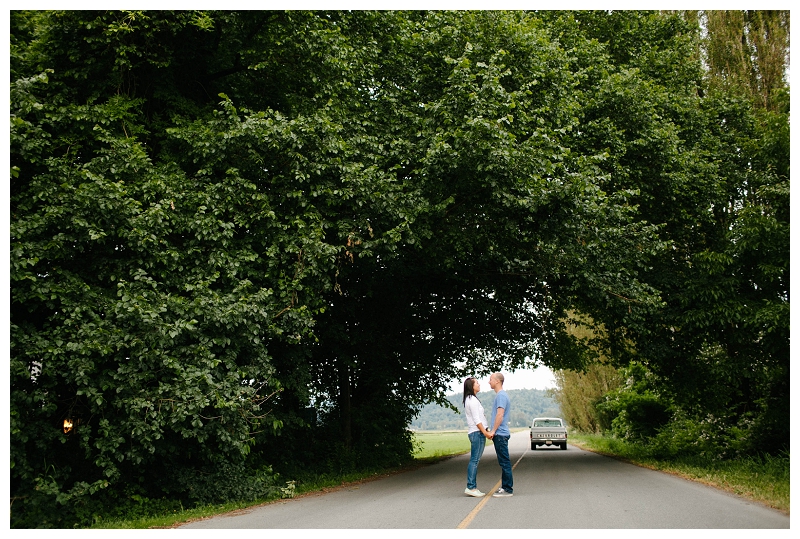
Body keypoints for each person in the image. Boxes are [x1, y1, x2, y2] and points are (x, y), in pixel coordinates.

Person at [462, 377, 492, 497]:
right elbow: (476, 419)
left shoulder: (472, 399)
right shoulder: (472, 400)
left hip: (477, 432)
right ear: (471, 386)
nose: (479, 384)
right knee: (474, 460)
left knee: (475, 460)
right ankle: (471, 487)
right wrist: (485, 432)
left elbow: (481, 418)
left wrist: (486, 429)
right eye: (477, 383)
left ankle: (472, 486)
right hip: (476, 432)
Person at [488, 372, 513, 497]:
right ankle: (505, 487)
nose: (489, 382)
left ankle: (507, 488)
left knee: (504, 462)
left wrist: (493, 430)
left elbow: (500, 415)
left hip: (500, 434)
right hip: (501, 433)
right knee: (503, 461)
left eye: (491, 379)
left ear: (497, 381)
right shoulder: (500, 395)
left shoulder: (501, 396)